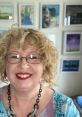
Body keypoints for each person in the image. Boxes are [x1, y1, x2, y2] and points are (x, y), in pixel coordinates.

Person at [0, 27, 80, 117]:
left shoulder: (65, 108)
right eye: (14, 56)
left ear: (45, 65)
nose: (23, 65)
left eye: (33, 57)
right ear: (4, 62)